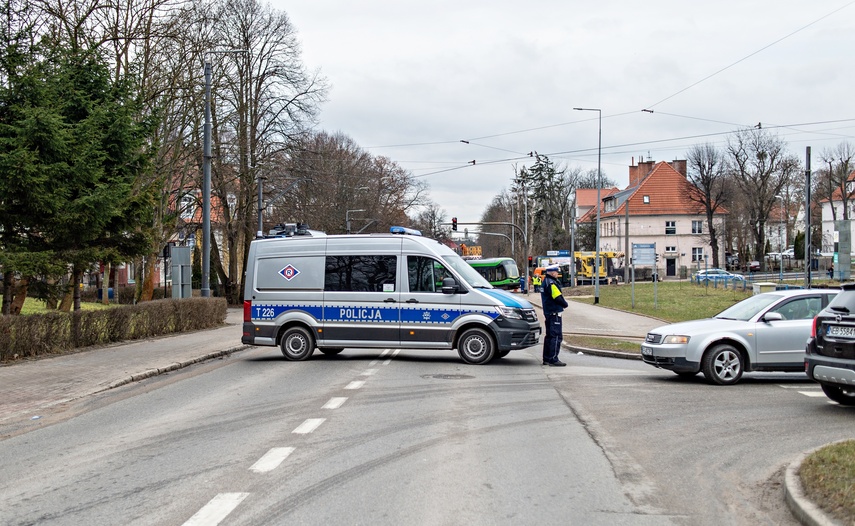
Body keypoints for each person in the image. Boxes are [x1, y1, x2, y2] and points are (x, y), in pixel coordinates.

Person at [541, 264, 569, 366]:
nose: (557, 274)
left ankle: (546, 358)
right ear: (553, 273)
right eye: (557, 272)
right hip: (554, 313)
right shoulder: (552, 283)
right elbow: (557, 297)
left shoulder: (545, 281)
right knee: (556, 336)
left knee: (549, 336)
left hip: (548, 312)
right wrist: (565, 304)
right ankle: (553, 358)